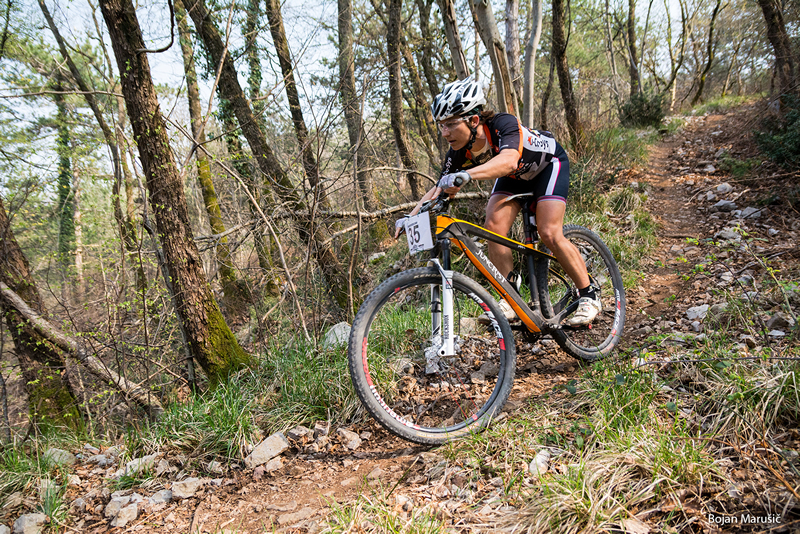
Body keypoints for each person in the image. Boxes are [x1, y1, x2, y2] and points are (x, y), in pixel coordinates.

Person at [395, 78, 601, 326]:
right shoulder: (458, 151)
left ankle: (589, 294)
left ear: (473, 120)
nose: (445, 133)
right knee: (493, 228)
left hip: (547, 166)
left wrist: (467, 175)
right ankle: (510, 295)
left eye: (450, 124)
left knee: (549, 232)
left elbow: (509, 161)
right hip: (514, 177)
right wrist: (410, 217)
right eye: (441, 126)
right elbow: (439, 188)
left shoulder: (503, 124)